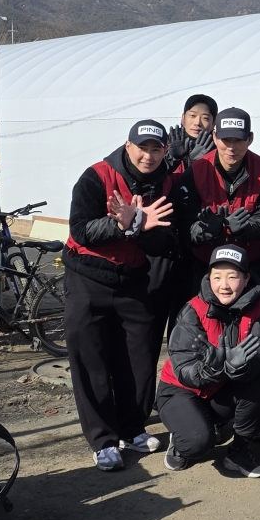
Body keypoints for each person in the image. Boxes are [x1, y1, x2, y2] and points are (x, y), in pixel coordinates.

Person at [63, 120, 176, 472]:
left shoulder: (167, 183)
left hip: (133, 281)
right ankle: (103, 441)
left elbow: (165, 244)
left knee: (139, 359)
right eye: (142, 148)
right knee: (91, 360)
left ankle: (132, 428)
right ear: (128, 147)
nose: (148, 155)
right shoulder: (95, 176)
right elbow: (80, 230)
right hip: (87, 277)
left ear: (165, 151)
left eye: (156, 149)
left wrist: (141, 228)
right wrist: (123, 224)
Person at [157, 244, 260, 477]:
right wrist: (216, 366)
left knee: (259, 386)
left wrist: (241, 366)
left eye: (232, 276)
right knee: (196, 444)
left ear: (246, 279)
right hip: (181, 389)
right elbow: (184, 370)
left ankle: (239, 452)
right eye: (217, 277)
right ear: (209, 278)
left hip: (223, 388)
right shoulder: (192, 310)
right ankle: (183, 436)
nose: (224, 285)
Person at [171, 107, 260, 290]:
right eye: (226, 140)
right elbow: (184, 225)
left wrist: (246, 228)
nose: (231, 147)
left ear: (250, 138)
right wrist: (205, 231)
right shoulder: (196, 171)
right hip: (207, 266)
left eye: (238, 140)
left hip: (253, 265)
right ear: (215, 137)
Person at [164, 94, 217, 175]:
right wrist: (172, 159)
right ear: (183, 118)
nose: (197, 123)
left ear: (213, 123)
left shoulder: (219, 150)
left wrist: (199, 162)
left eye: (205, 118)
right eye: (192, 116)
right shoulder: (164, 145)